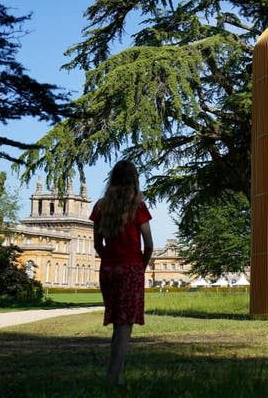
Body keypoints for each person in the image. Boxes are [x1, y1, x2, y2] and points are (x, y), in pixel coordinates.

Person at [89, 160, 153, 385]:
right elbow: (149, 244)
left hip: (108, 269)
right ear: (134, 180)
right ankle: (113, 377)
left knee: (118, 321)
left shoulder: (100, 206)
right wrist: (140, 266)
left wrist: (110, 258)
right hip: (131, 268)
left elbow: (97, 243)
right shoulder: (138, 208)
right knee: (125, 325)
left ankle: (117, 374)